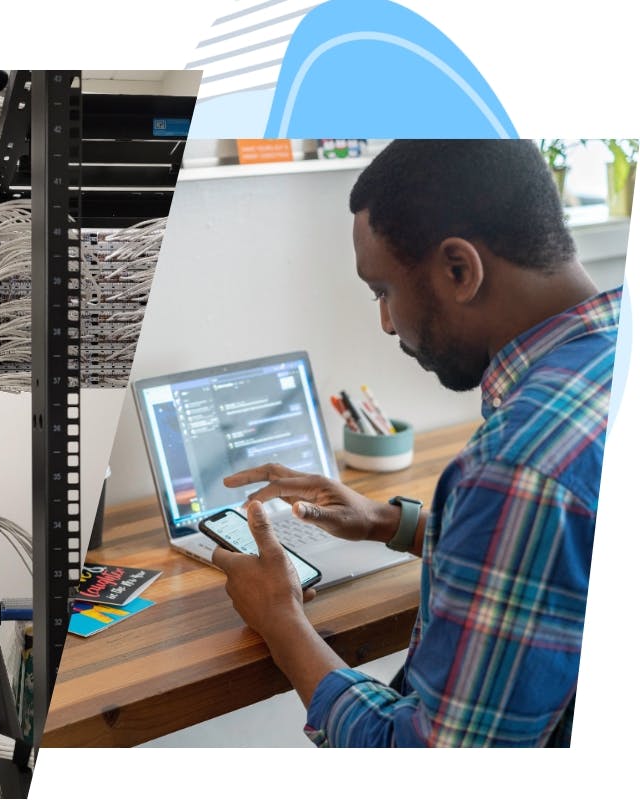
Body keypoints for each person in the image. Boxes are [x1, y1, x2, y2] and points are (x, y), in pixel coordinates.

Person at [212, 139, 615, 747]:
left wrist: (281, 620)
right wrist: (391, 523)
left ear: (460, 269)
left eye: (383, 291)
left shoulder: (519, 465)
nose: (386, 323)